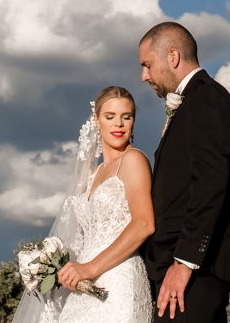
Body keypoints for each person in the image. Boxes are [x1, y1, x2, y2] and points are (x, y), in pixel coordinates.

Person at [137, 22, 230, 323]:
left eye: (148, 65)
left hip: (195, 272)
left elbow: (210, 183)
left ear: (173, 56)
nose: (144, 76)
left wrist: (184, 263)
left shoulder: (207, 98)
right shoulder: (193, 101)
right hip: (178, 268)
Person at [14, 86, 156, 323]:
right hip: (82, 287)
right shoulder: (94, 173)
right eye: (110, 117)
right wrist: (52, 265)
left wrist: (90, 268)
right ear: (96, 120)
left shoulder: (134, 160)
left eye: (126, 116)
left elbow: (144, 224)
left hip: (118, 283)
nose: (118, 124)